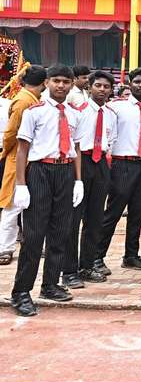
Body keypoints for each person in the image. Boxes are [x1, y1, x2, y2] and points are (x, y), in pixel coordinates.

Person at [8, 65, 84, 317]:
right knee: (34, 235)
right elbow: (22, 149)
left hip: (64, 172)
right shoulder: (34, 112)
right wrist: (20, 184)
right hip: (40, 171)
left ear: (72, 84)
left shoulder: (74, 114)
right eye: (56, 81)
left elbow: (77, 148)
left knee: (61, 232)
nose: (61, 85)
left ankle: (50, 284)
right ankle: (21, 291)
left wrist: (78, 180)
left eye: (65, 81)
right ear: (47, 83)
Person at [96, 68, 141, 273]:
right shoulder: (115, 107)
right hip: (122, 164)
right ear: (129, 83)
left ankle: (131, 255)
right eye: (137, 82)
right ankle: (97, 257)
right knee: (113, 213)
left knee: (138, 213)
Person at [62, 70, 116, 289]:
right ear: (89, 87)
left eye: (106, 87)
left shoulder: (112, 114)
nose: (102, 90)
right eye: (98, 86)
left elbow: (111, 140)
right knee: (73, 219)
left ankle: (87, 265)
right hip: (80, 162)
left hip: (101, 162)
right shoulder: (78, 111)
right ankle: (68, 270)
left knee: (95, 219)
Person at [0, 65, 46, 267]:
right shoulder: (23, 101)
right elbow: (11, 133)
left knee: (33, 206)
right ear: (44, 83)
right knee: (12, 205)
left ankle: (26, 244)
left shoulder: (32, 100)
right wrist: (5, 153)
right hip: (17, 158)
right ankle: (5, 248)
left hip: (32, 158)